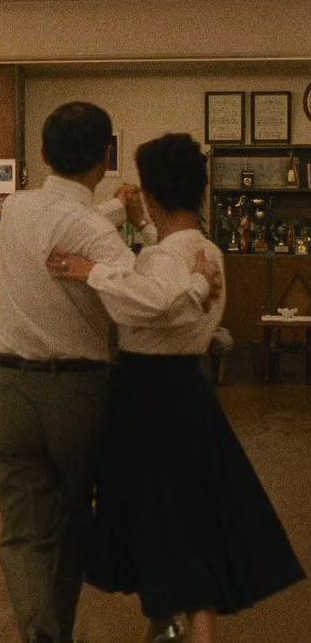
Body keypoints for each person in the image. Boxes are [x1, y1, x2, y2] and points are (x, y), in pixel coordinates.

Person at [47, 134, 305, 643]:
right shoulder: (206, 250)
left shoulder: (166, 262)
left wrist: (91, 270)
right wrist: (144, 225)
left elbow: (149, 299)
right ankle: (169, 625)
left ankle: (176, 626)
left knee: (160, 518)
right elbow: (165, 273)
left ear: (153, 193)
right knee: (193, 516)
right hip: (189, 389)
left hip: (150, 397)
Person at [0, 102, 220, 643]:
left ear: (43, 152)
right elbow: (143, 303)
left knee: (21, 532)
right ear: (105, 156)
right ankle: (68, 627)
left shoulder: (15, 209)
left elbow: (63, 223)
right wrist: (196, 286)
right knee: (72, 518)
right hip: (76, 392)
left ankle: (42, 634)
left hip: (9, 389)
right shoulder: (95, 233)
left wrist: (115, 210)